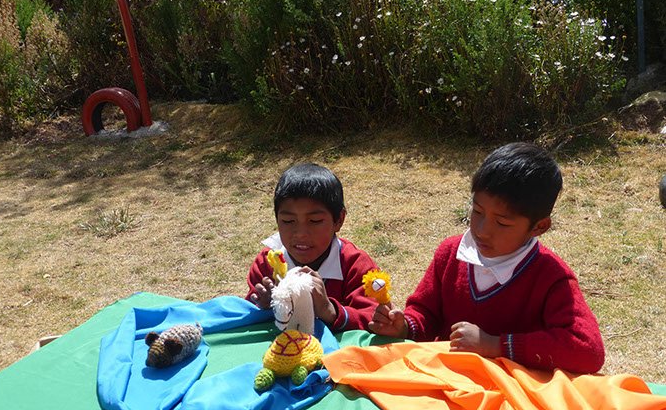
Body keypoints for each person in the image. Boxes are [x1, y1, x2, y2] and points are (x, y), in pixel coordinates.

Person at [369, 142, 605, 374]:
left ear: (539, 227)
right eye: (477, 211)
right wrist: (403, 327)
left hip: (509, 391)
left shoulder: (550, 277)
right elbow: (425, 314)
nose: (482, 230)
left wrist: (495, 345)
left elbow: (588, 350)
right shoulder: (450, 254)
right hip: (446, 379)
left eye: (502, 222)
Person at [246, 163, 380, 331]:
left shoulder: (355, 265)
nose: (300, 234)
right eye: (288, 221)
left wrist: (330, 310)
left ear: (339, 220)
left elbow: (375, 320)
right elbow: (248, 318)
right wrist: (265, 307)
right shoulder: (267, 264)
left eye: (315, 221)